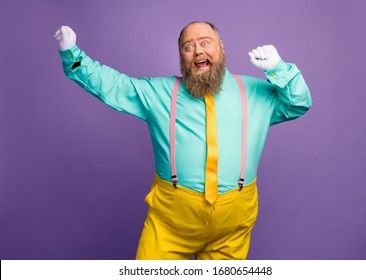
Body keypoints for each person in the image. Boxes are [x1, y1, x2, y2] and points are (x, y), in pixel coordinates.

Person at [54, 21, 312, 260]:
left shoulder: (255, 92)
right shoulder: (159, 92)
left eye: (205, 42)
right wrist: (72, 54)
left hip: (233, 228)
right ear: (182, 58)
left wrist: (279, 69)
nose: (197, 50)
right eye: (188, 47)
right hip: (171, 224)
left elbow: (298, 102)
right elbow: (114, 85)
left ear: (221, 48)